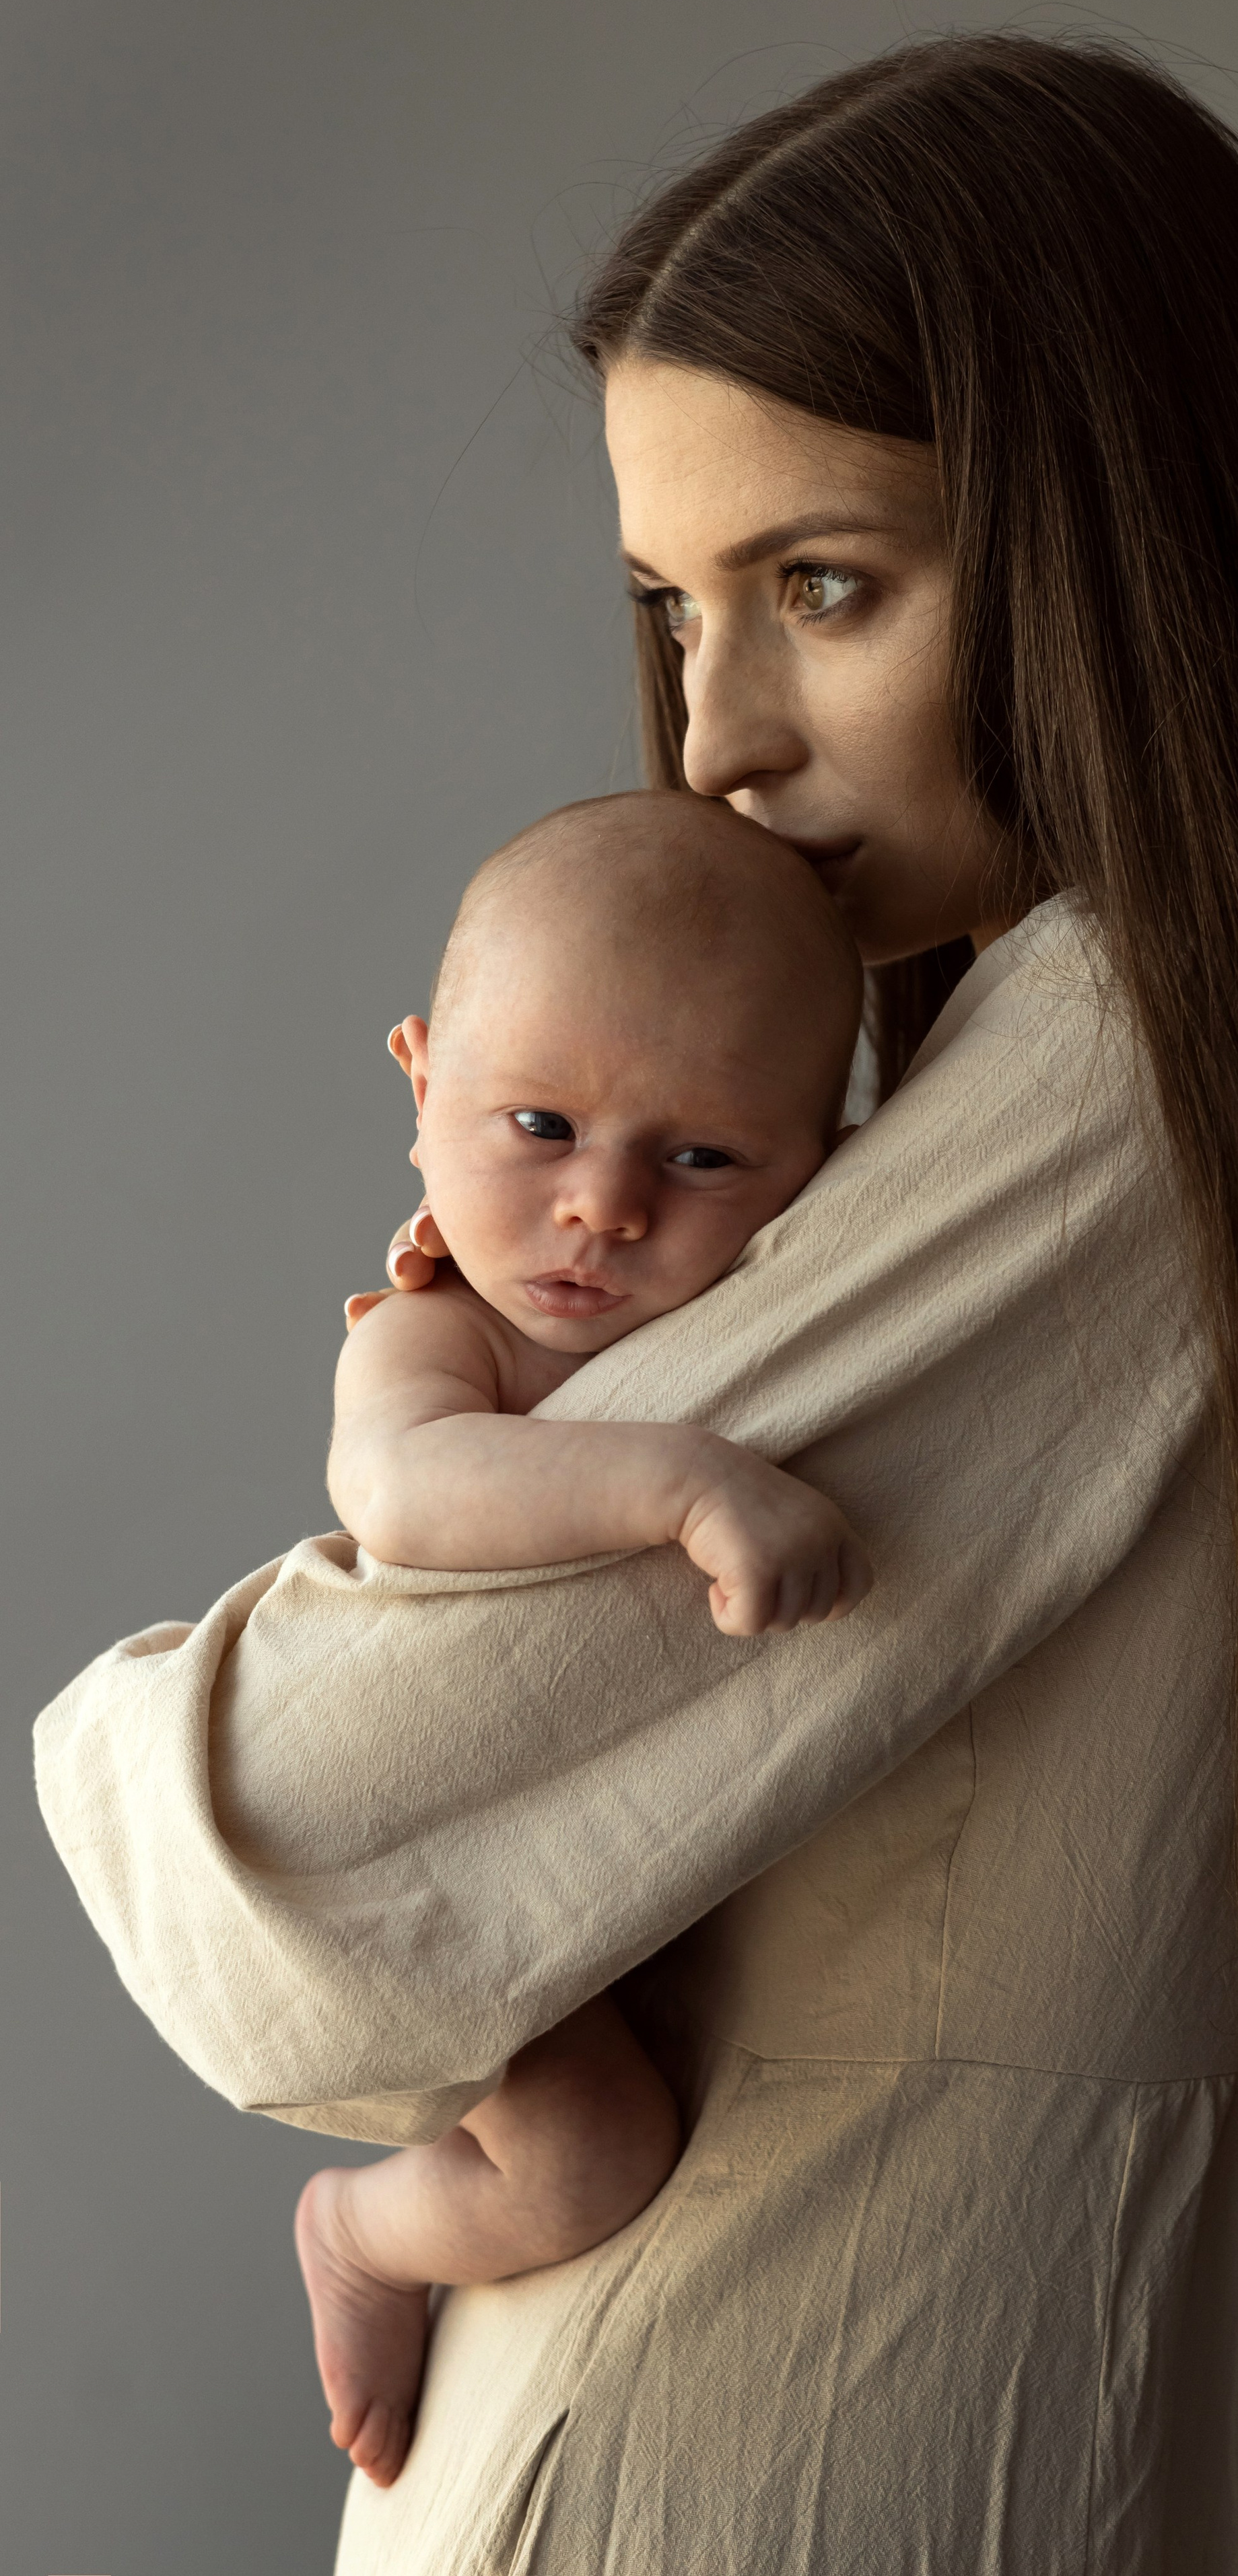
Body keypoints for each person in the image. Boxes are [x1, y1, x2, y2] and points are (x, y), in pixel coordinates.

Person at [34, 35, 1238, 2573]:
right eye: (671, 607)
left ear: (1133, 548)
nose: (715, 744)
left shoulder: (1124, 1067)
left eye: (825, 586)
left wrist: (116, 1743)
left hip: (794, 2433)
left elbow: (317, 1842)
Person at [297, 793, 871, 2489]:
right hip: (443, 1854)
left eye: (701, 1157)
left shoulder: (791, 1312)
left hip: (631, 1861)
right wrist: (681, 1485)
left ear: (817, 1173)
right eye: (535, 1122)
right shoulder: (432, 1335)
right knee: (590, 2154)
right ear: (419, 1084)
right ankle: (362, 2231)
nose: (602, 1206)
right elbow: (402, 1495)